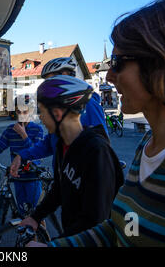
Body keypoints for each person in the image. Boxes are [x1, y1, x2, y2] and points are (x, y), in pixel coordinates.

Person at [27, 0, 165, 247]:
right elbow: (119, 229)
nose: (109, 76)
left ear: (162, 61)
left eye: (118, 63)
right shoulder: (148, 144)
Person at [16, 75, 124, 237]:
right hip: (72, 235)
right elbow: (59, 189)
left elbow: (95, 220)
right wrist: (35, 217)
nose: (40, 118)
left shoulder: (96, 151)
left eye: (42, 111)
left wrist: (56, 244)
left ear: (57, 113)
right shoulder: (62, 144)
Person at [10, 57, 109, 178]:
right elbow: (49, 143)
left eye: (51, 80)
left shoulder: (88, 105)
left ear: (65, 75)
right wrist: (22, 155)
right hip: (62, 179)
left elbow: (101, 149)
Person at [0, 95, 45, 215]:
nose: (21, 114)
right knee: (21, 211)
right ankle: (24, 233)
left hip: (33, 177)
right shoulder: (10, 129)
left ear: (31, 111)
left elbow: (37, 153)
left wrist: (24, 135)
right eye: (18, 111)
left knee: (35, 213)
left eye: (25, 111)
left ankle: (40, 234)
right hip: (17, 177)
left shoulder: (37, 129)